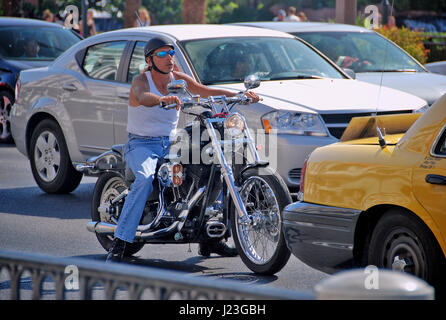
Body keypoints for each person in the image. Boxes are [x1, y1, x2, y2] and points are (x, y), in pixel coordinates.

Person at [106, 37, 260, 262]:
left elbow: (205, 91)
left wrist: (240, 96)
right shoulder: (141, 80)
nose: (168, 57)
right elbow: (142, 97)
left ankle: (210, 238)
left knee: (210, 169)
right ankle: (120, 241)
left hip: (171, 142)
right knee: (145, 178)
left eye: (170, 53)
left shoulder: (179, 79)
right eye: (162, 54)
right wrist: (161, 99)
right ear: (150, 59)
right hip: (141, 143)